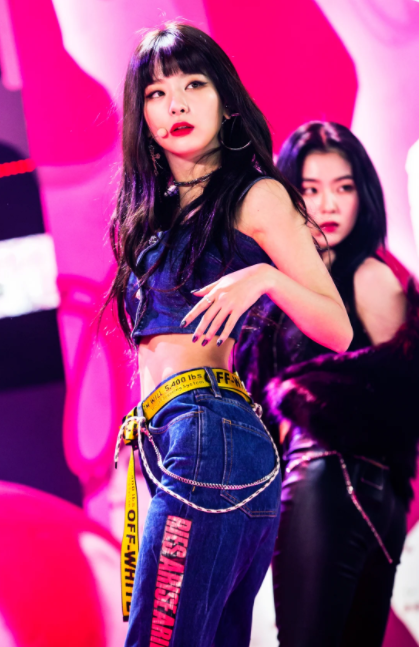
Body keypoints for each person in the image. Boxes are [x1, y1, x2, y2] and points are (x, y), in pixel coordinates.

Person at [106, 26, 352, 647]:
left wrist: (264, 277)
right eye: (157, 93)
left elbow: (337, 328)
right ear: (142, 115)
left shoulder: (255, 195)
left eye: (194, 85)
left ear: (226, 100)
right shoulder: (150, 213)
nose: (177, 104)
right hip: (173, 440)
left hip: (209, 436)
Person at [238, 121, 411, 647]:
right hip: (368, 496)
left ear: (364, 193)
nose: (328, 205)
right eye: (310, 190)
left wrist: (306, 396)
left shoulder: (367, 275)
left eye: (344, 187)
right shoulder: (291, 285)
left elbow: (403, 391)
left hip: (329, 478)